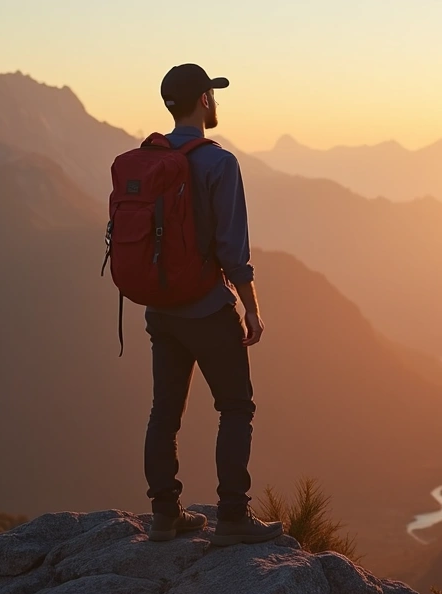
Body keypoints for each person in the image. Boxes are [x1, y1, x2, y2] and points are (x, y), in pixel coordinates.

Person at [143, 63, 282, 545]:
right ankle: (233, 517)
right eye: (212, 93)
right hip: (205, 307)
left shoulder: (149, 158)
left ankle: (164, 514)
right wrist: (251, 307)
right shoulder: (218, 163)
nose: (215, 101)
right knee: (236, 406)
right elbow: (231, 248)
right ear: (204, 100)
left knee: (165, 411)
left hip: (160, 309)